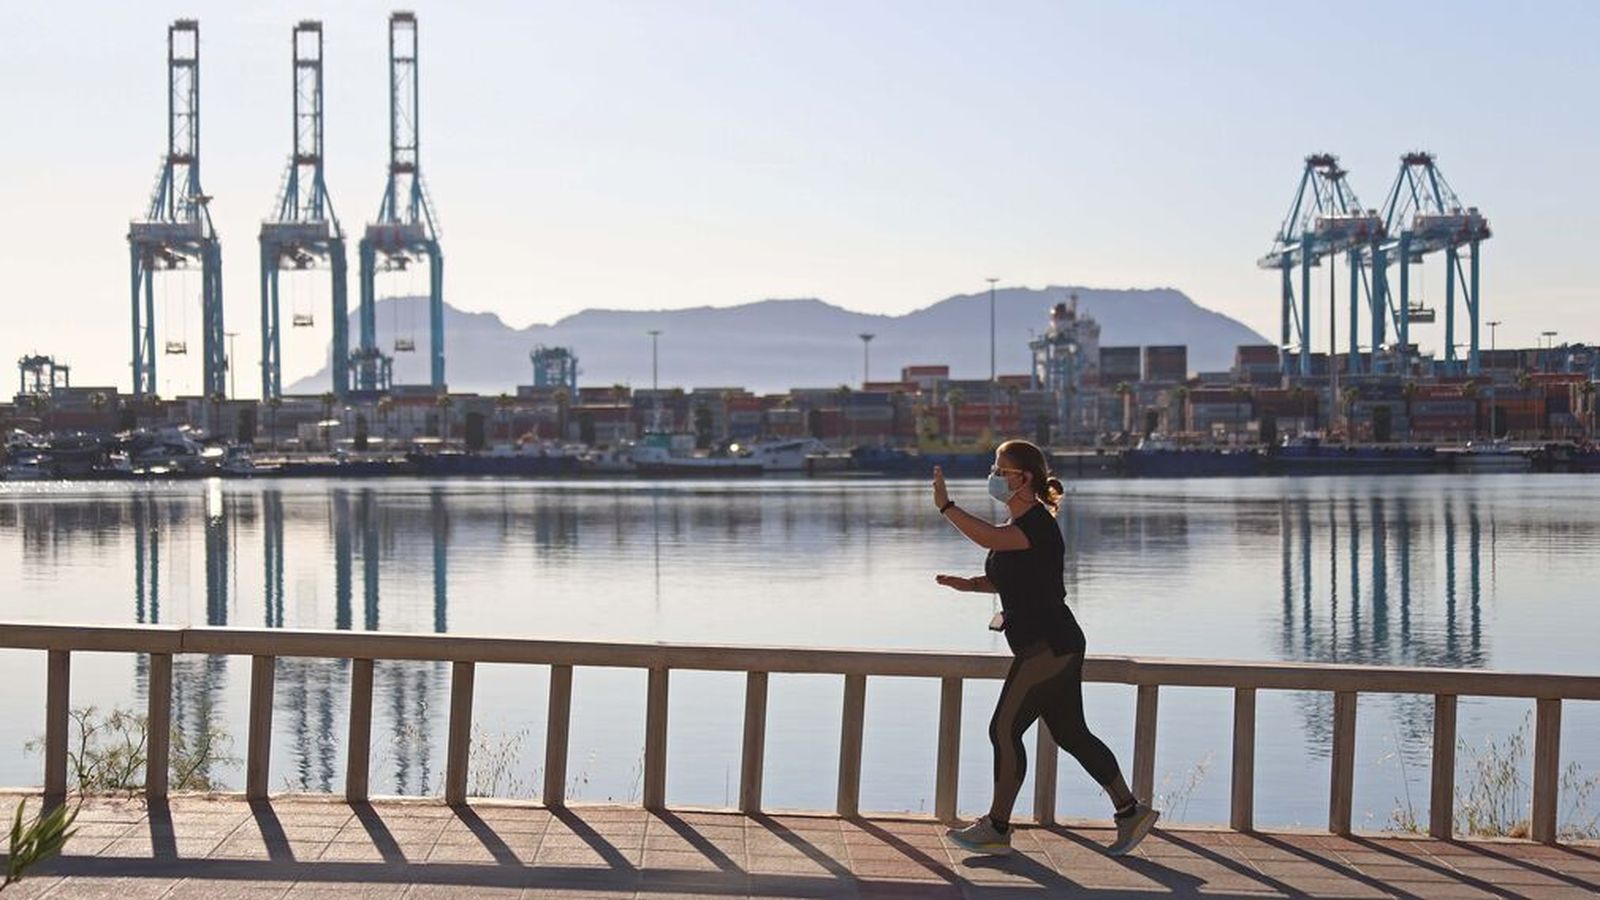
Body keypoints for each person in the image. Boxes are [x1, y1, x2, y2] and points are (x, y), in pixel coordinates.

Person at [932, 439, 1158, 857]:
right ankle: (1130, 811)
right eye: (994, 469)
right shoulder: (1018, 525)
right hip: (1050, 644)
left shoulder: (1037, 523)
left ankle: (997, 827)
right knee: (1071, 733)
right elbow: (1013, 578)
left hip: (1048, 646)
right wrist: (970, 585)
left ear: (1025, 479)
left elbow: (989, 538)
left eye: (1001, 471)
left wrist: (947, 507)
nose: (994, 477)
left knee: (1004, 729)